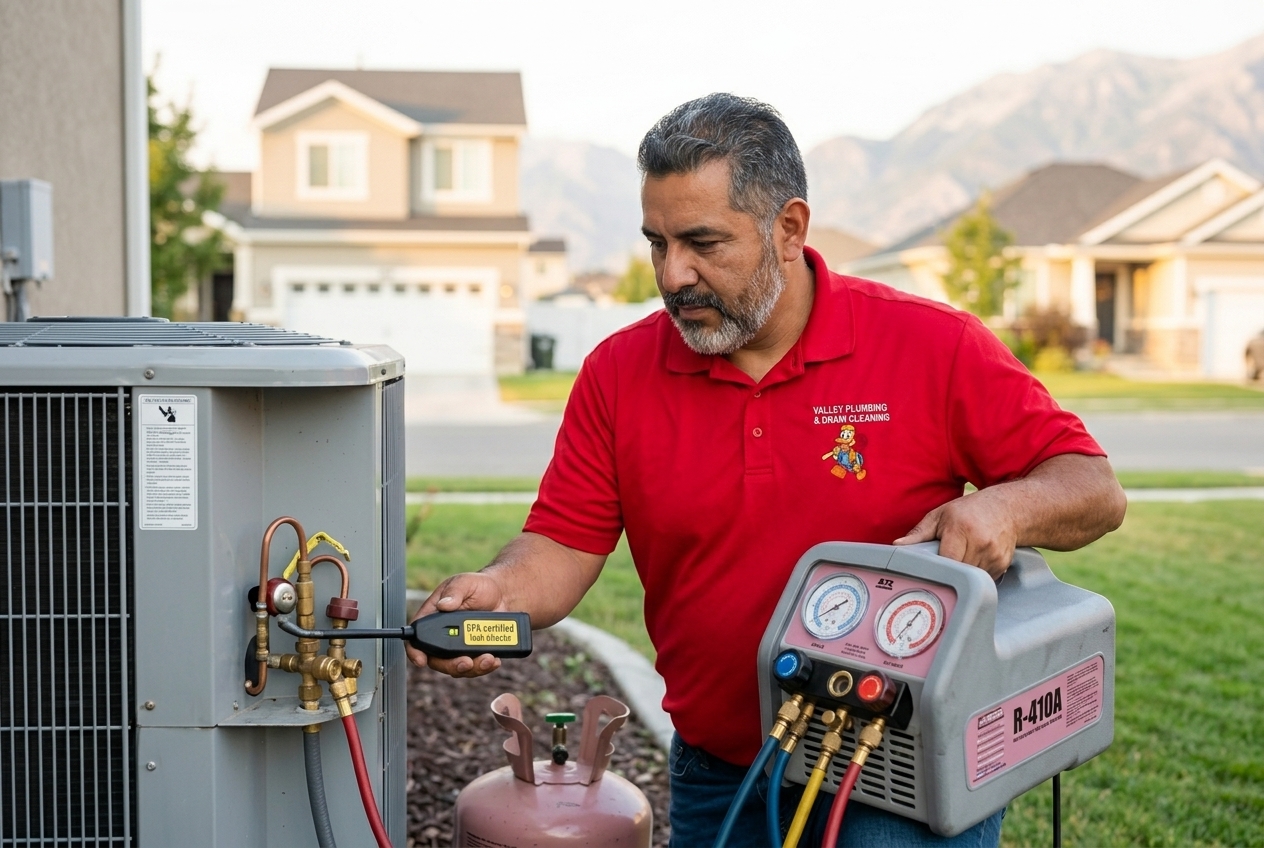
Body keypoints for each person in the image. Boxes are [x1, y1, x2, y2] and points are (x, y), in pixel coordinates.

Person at [407, 93, 1127, 847]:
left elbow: (1092, 489)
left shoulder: (932, 345)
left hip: (898, 775)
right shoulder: (618, 373)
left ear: (788, 229)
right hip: (720, 773)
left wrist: (1005, 510)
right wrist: (495, 590)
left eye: (702, 242)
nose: (673, 272)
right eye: (656, 242)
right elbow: (561, 543)